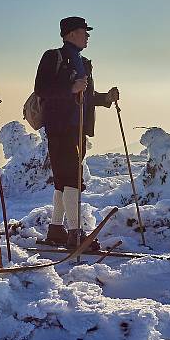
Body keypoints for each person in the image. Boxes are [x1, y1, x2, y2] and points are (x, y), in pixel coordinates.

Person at [34, 16, 119, 249]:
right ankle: (75, 234)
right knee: (72, 178)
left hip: (77, 128)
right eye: (84, 32)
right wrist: (70, 88)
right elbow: (41, 88)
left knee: (64, 180)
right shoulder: (54, 56)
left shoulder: (84, 62)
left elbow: (85, 97)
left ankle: (56, 229)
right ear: (71, 34)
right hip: (61, 127)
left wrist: (105, 98)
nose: (88, 36)